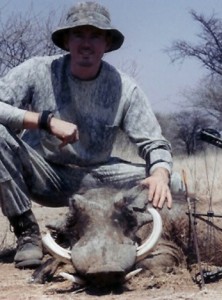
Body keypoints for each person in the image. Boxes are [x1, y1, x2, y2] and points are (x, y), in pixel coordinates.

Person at [0, 1, 182, 269]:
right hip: (44, 174)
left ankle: (135, 235)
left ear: (107, 43)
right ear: (66, 40)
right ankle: (26, 231)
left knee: (173, 183)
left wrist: (160, 174)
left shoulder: (125, 88)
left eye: (95, 35)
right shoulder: (38, 70)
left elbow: (154, 142)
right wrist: (45, 121)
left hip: (98, 179)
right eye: (78, 34)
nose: (86, 43)